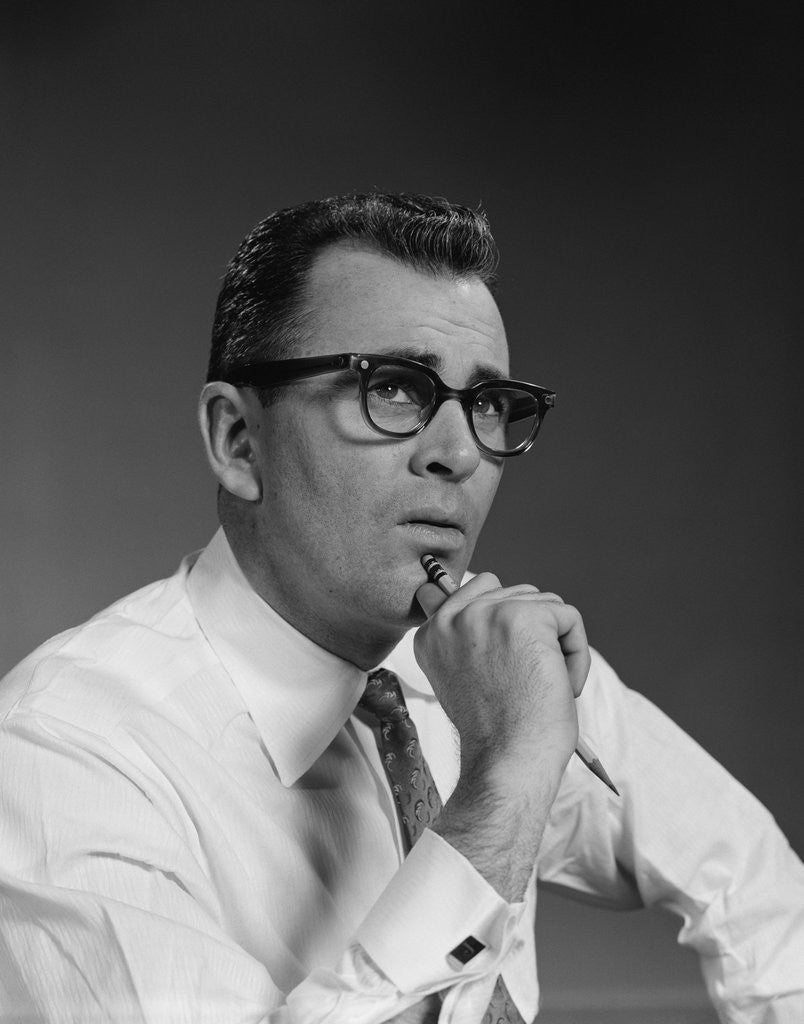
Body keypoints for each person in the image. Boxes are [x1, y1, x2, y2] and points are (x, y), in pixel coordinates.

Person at [0, 193, 801, 1024]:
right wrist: (503, 790)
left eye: (487, 404)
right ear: (239, 442)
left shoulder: (492, 672)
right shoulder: (60, 758)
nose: (458, 453)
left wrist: (511, 752)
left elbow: (749, 875)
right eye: (394, 388)